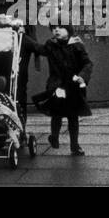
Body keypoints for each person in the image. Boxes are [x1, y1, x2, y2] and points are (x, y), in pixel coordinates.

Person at [27, 25, 93, 156]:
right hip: (57, 84)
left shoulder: (77, 45)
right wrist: (24, 36)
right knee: (56, 112)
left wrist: (82, 76)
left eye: (60, 27)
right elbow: (38, 48)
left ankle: (75, 145)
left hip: (73, 85)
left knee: (72, 116)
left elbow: (87, 63)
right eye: (54, 28)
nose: (56, 30)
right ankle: (54, 136)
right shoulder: (51, 44)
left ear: (68, 30)